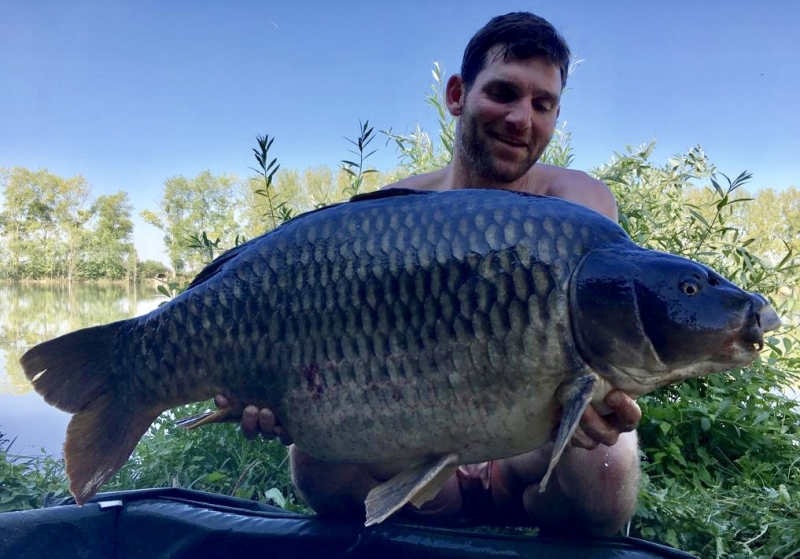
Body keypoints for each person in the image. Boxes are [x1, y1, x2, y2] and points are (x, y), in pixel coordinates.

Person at [216, 12, 641, 537]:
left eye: (543, 104)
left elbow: (594, 302)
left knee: (608, 464)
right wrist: (281, 390)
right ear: (458, 94)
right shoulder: (394, 214)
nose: (521, 119)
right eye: (504, 93)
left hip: (526, 456)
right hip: (416, 449)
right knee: (313, 463)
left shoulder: (577, 204)